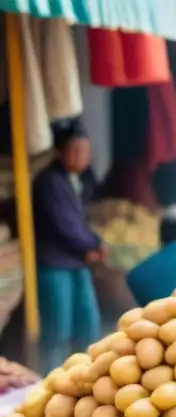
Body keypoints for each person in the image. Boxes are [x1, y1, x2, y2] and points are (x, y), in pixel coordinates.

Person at [32, 125, 105, 371]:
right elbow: (64, 225)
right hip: (54, 265)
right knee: (57, 333)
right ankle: (51, 383)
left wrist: (92, 244)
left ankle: (85, 378)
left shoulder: (76, 180)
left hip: (76, 261)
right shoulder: (50, 182)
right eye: (75, 150)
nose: (82, 156)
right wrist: (93, 244)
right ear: (59, 152)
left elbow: (78, 223)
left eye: (85, 150)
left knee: (88, 326)